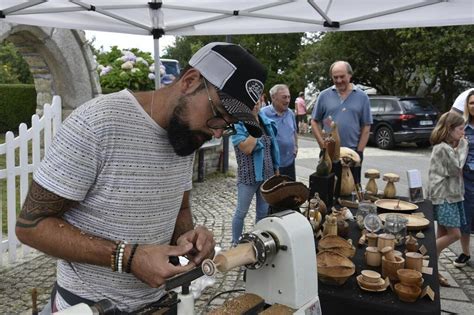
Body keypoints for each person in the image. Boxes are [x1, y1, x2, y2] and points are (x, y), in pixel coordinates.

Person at [15, 42, 267, 313]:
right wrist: (127, 257)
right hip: (87, 306)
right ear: (190, 81)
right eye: (218, 115)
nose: (217, 133)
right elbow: (31, 225)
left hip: (156, 303)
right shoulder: (96, 123)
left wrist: (188, 239)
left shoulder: (184, 134)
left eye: (228, 125)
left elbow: (178, 207)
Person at [310, 61, 372, 184]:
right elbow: (314, 121)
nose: (338, 80)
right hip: (329, 153)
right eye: (335, 77)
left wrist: (360, 152)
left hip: (351, 153)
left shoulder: (362, 97)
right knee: (327, 190)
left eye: (342, 77)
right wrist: (322, 145)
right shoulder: (324, 96)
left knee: (351, 191)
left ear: (350, 75)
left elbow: (366, 126)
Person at [230, 96, 280, 245]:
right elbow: (246, 148)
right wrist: (254, 127)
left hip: (267, 175)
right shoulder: (238, 124)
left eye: (257, 101)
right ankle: (235, 243)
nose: (255, 104)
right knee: (241, 213)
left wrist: (276, 170)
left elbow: (273, 148)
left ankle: (259, 242)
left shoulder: (266, 122)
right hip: (248, 177)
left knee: (263, 214)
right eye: (251, 101)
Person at [428, 111, 468, 287]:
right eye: (460, 129)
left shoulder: (446, 147)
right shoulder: (443, 148)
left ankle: (433, 273)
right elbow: (456, 168)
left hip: (449, 196)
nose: (463, 133)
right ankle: (426, 257)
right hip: (445, 197)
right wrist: (463, 146)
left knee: (442, 234)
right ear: (450, 129)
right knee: (454, 234)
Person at [453, 90, 474, 268]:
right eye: (472, 103)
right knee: (465, 216)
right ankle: (466, 252)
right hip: (466, 178)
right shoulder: (463, 127)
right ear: (467, 106)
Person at [261, 84, 298, 180]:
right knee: (275, 193)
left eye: (289, 97)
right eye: (284, 97)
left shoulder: (290, 113)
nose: (288, 100)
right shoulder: (263, 114)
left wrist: (296, 146)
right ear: (273, 97)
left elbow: (294, 131)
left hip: (289, 162)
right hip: (272, 165)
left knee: (291, 191)